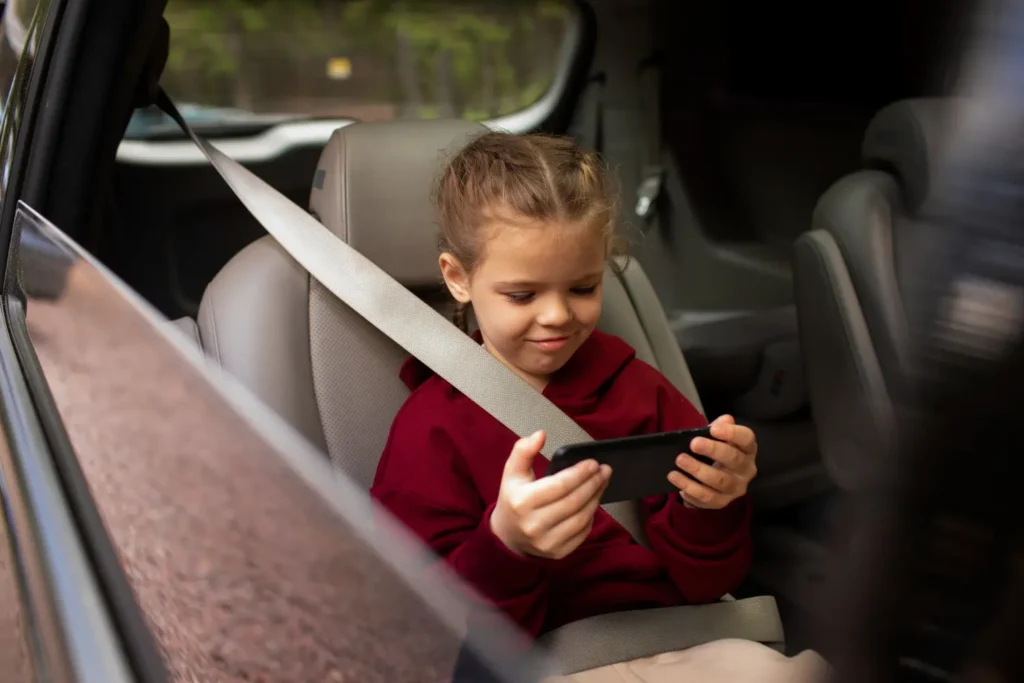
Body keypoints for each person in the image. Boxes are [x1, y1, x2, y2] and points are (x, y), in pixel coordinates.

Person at [370, 132, 827, 682]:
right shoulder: (431, 427)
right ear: (458, 278)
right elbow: (423, 629)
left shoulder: (640, 388)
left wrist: (712, 504)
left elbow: (707, 581)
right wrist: (507, 546)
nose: (559, 316)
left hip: (684, 643)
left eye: (583, 288)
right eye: (523, 295)